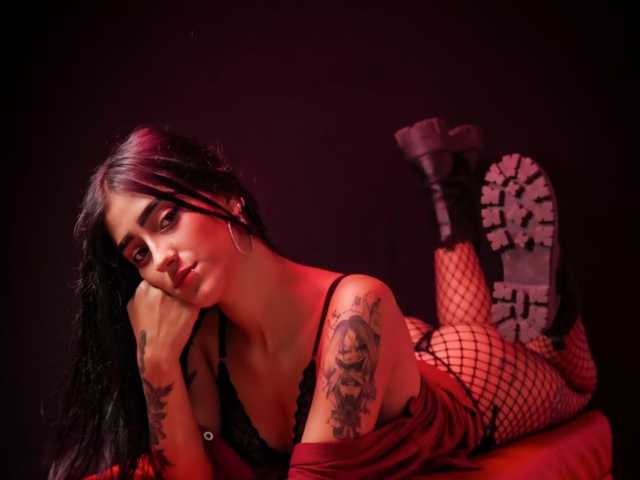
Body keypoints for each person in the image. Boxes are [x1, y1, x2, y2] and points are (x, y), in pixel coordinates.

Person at [47, 118, 597, 480]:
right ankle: (446, 191)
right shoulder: (200, 345)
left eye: (167, 219)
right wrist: (156, 363)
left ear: (227, 195)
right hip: (376, 347)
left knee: (575, 383)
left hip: (463, 378)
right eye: (138, 254)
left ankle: (546, 313)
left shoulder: (359, 307)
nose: (161, 258)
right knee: (444, 328)